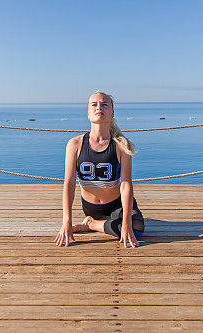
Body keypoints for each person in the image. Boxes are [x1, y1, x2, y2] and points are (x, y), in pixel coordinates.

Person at [54, 91, 145, 248]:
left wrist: (126, 224)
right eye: (94, 105)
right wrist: (66, 221)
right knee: (124, 227)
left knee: (136, 228)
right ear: (88, 113)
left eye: (104, 105)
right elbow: (69, 183)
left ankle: (91, 225)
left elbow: (126, 184)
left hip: (117, 205)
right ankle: (97, 221)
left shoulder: (122, 145)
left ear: (112, 112)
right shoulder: (75, 144)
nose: (99, 108)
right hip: (91, 207)